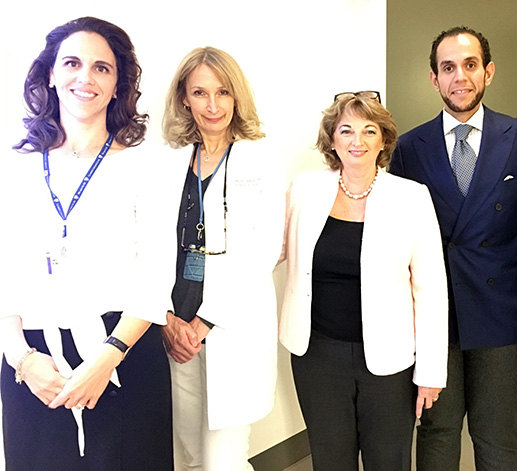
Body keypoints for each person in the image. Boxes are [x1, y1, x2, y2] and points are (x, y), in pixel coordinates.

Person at [0, 17, 174, 470]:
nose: (86, 77)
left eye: (102, 68)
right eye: (72, 63)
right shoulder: (16, 168)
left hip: (124, 350)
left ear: (118, 85)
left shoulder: (145, 168)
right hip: (34, 362)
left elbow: (156, 275)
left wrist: (105, 361)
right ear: (51, 75)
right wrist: (22, 358)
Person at [389, 26, 517, 471]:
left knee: (496, 433)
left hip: (502, 316)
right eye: (448, 67)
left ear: (488, 71)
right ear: (433, 79)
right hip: (435, 317)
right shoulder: (408, 148)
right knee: (437, 432)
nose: (459, 76)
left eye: (470, 64)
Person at [279, 91, 448, 471]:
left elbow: (431, 289)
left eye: (369, 131)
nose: (357, 141)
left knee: (389, 461)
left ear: (384, 140)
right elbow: (270, 249)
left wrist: (431, 372)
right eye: (346, 130)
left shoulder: (411, 197)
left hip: (389, 364)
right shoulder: (305, 190)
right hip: (317, 356)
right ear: (332, 139)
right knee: (330, 460)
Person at [160, 46, 283, 471]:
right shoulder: (169, 161)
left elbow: (263, 251)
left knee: (222, 460)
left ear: (237, 97)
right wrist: (168, 319)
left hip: (230, 326)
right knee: (187, 455)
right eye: (200, 93)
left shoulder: (260, 159)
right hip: (176, 323)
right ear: (183, 99)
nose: (212, 106)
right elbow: (151, 245)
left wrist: (205, 321)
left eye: (223, 93)